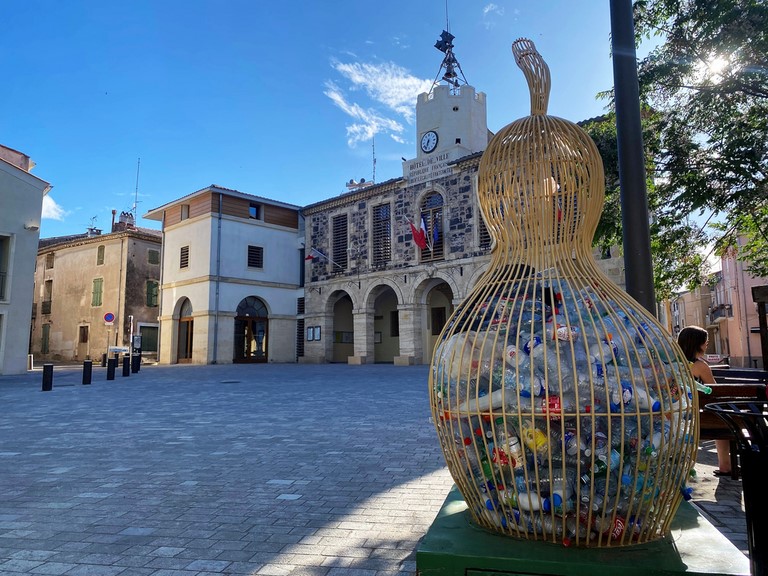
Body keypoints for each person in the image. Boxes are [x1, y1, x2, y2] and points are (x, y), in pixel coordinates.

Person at [677, 326, 732, 476]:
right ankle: (725, 466)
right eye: (705, 341)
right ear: (697, 344)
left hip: (676, 415)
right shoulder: (700, 366)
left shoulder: (672, 364)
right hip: (697, 418)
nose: (707, 343)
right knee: (721, 420)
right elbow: (714, 392)